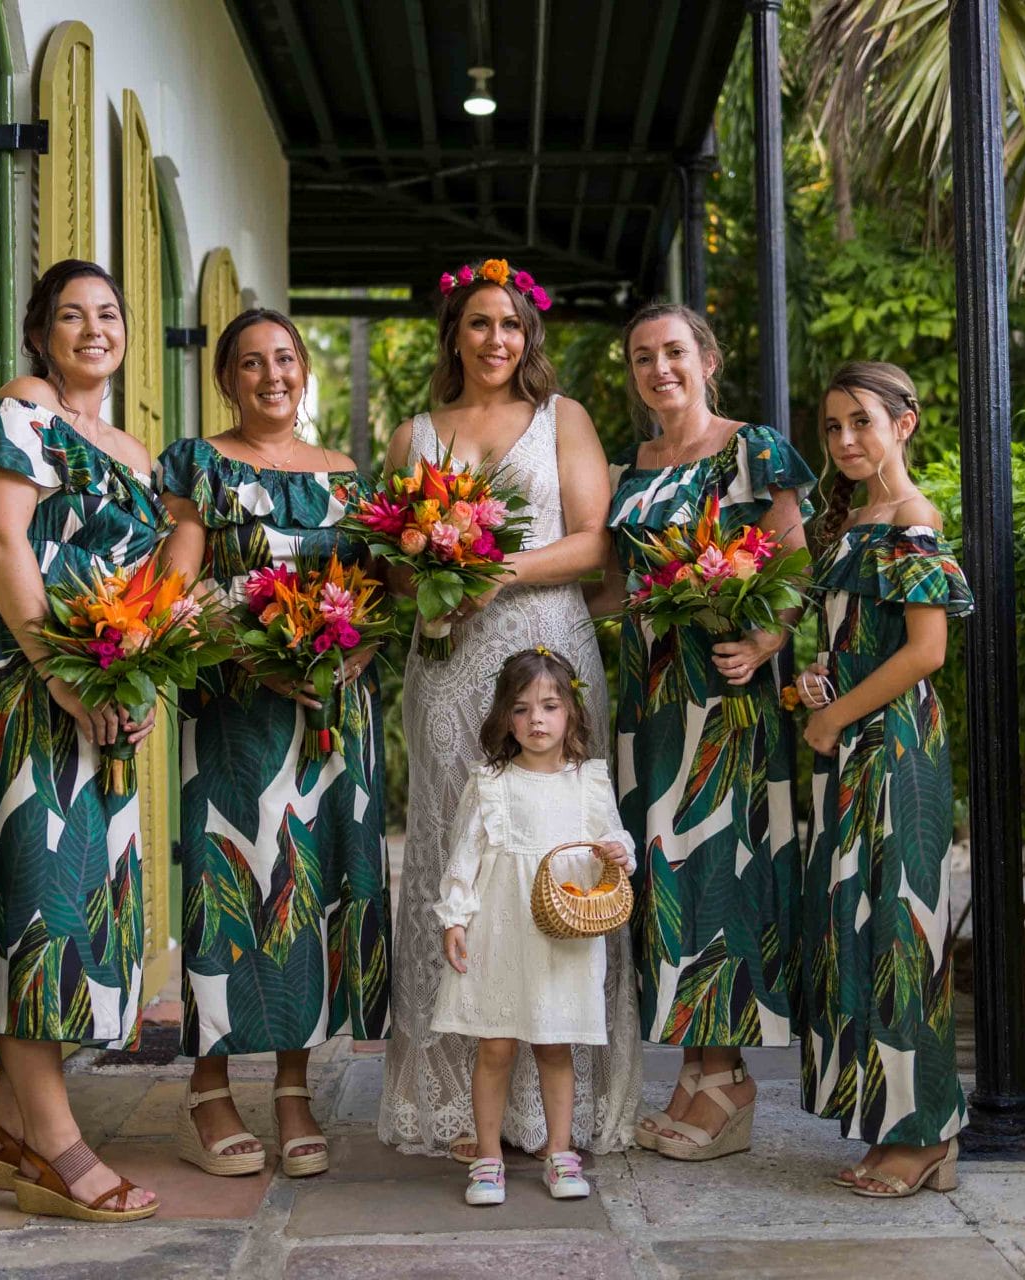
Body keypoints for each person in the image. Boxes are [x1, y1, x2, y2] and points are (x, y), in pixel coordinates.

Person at [378, 258, 641, 1160]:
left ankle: (555, 1104)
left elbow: (593, 543)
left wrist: (488, 572)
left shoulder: (561, 419)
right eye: (480, 323)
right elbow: (393, 561)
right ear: (453, 333)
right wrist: (432, 581)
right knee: (463, 847)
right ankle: (463, 1101)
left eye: (512, 325)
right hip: (447, 662)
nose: (497, 339)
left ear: (530, 338)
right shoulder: (414, 434)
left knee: (556, 841)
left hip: (545, 652)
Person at [0, 259, 161, 1222]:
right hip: (27, 677)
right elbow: (1, 540)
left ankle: (0, 1129)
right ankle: (60, 1145)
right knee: (35, 899)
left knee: (78, 895)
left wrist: (141, 678)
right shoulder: (25, 407)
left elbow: (143, 580)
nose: (92, 329)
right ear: (39, 333)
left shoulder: (136, 450)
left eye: (107, 313)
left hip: (97, 685)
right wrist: (65, 681)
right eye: (71, 315)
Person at [156, 308, 391, 1180]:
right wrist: (254, 653)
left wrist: (355, 648)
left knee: (311, 887)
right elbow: (174, 591)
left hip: (332, 713)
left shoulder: (346, 478)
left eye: (285, 359)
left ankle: (294, 1087)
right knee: (228, 884)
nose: (271, 376)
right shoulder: (201, 465)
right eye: (250, 364)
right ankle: (209, 1086)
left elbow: (380, 591)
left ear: (303, 371)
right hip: (234, 708)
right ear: (226, 380)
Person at [599, 302, 815, 1162]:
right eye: (644, 357)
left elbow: (795, 557)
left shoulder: (751, 448)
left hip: (726, 696)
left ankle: (725, 1080)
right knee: (664, 868)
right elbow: (618, 590)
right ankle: (695, 1069)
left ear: (708, 358)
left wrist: (764, 641)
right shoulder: (635, 467)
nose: (661, 369)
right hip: (649, 699)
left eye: (675, 351)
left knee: (721, 867)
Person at [795, 361, 970, 1198]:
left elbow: (927, 651)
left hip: (895, 748)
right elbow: (850, 634)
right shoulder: (849, 522)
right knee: (859, 931)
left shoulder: (912, 518)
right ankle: (886, 1123)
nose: (845, 441)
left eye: (861, 422)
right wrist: (813, 685)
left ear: (905, 422)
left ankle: (925, 1131)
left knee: (905, 935)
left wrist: (833, 719)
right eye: (832, 428)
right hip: (849, 750)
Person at [431, 649, 636, 1205]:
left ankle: (561, 1152)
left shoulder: (589, 783)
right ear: (505, 717)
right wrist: (455, 917)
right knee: (494, 1044)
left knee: (554, 1045)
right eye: (522, 709)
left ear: (571, 712)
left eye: (550, 706)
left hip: (563, 937)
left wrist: (620, 851)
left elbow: (620, 844)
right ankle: (488, 1157)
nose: (537, 720)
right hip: (500, 932)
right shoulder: (492, 783)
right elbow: (464, 854)